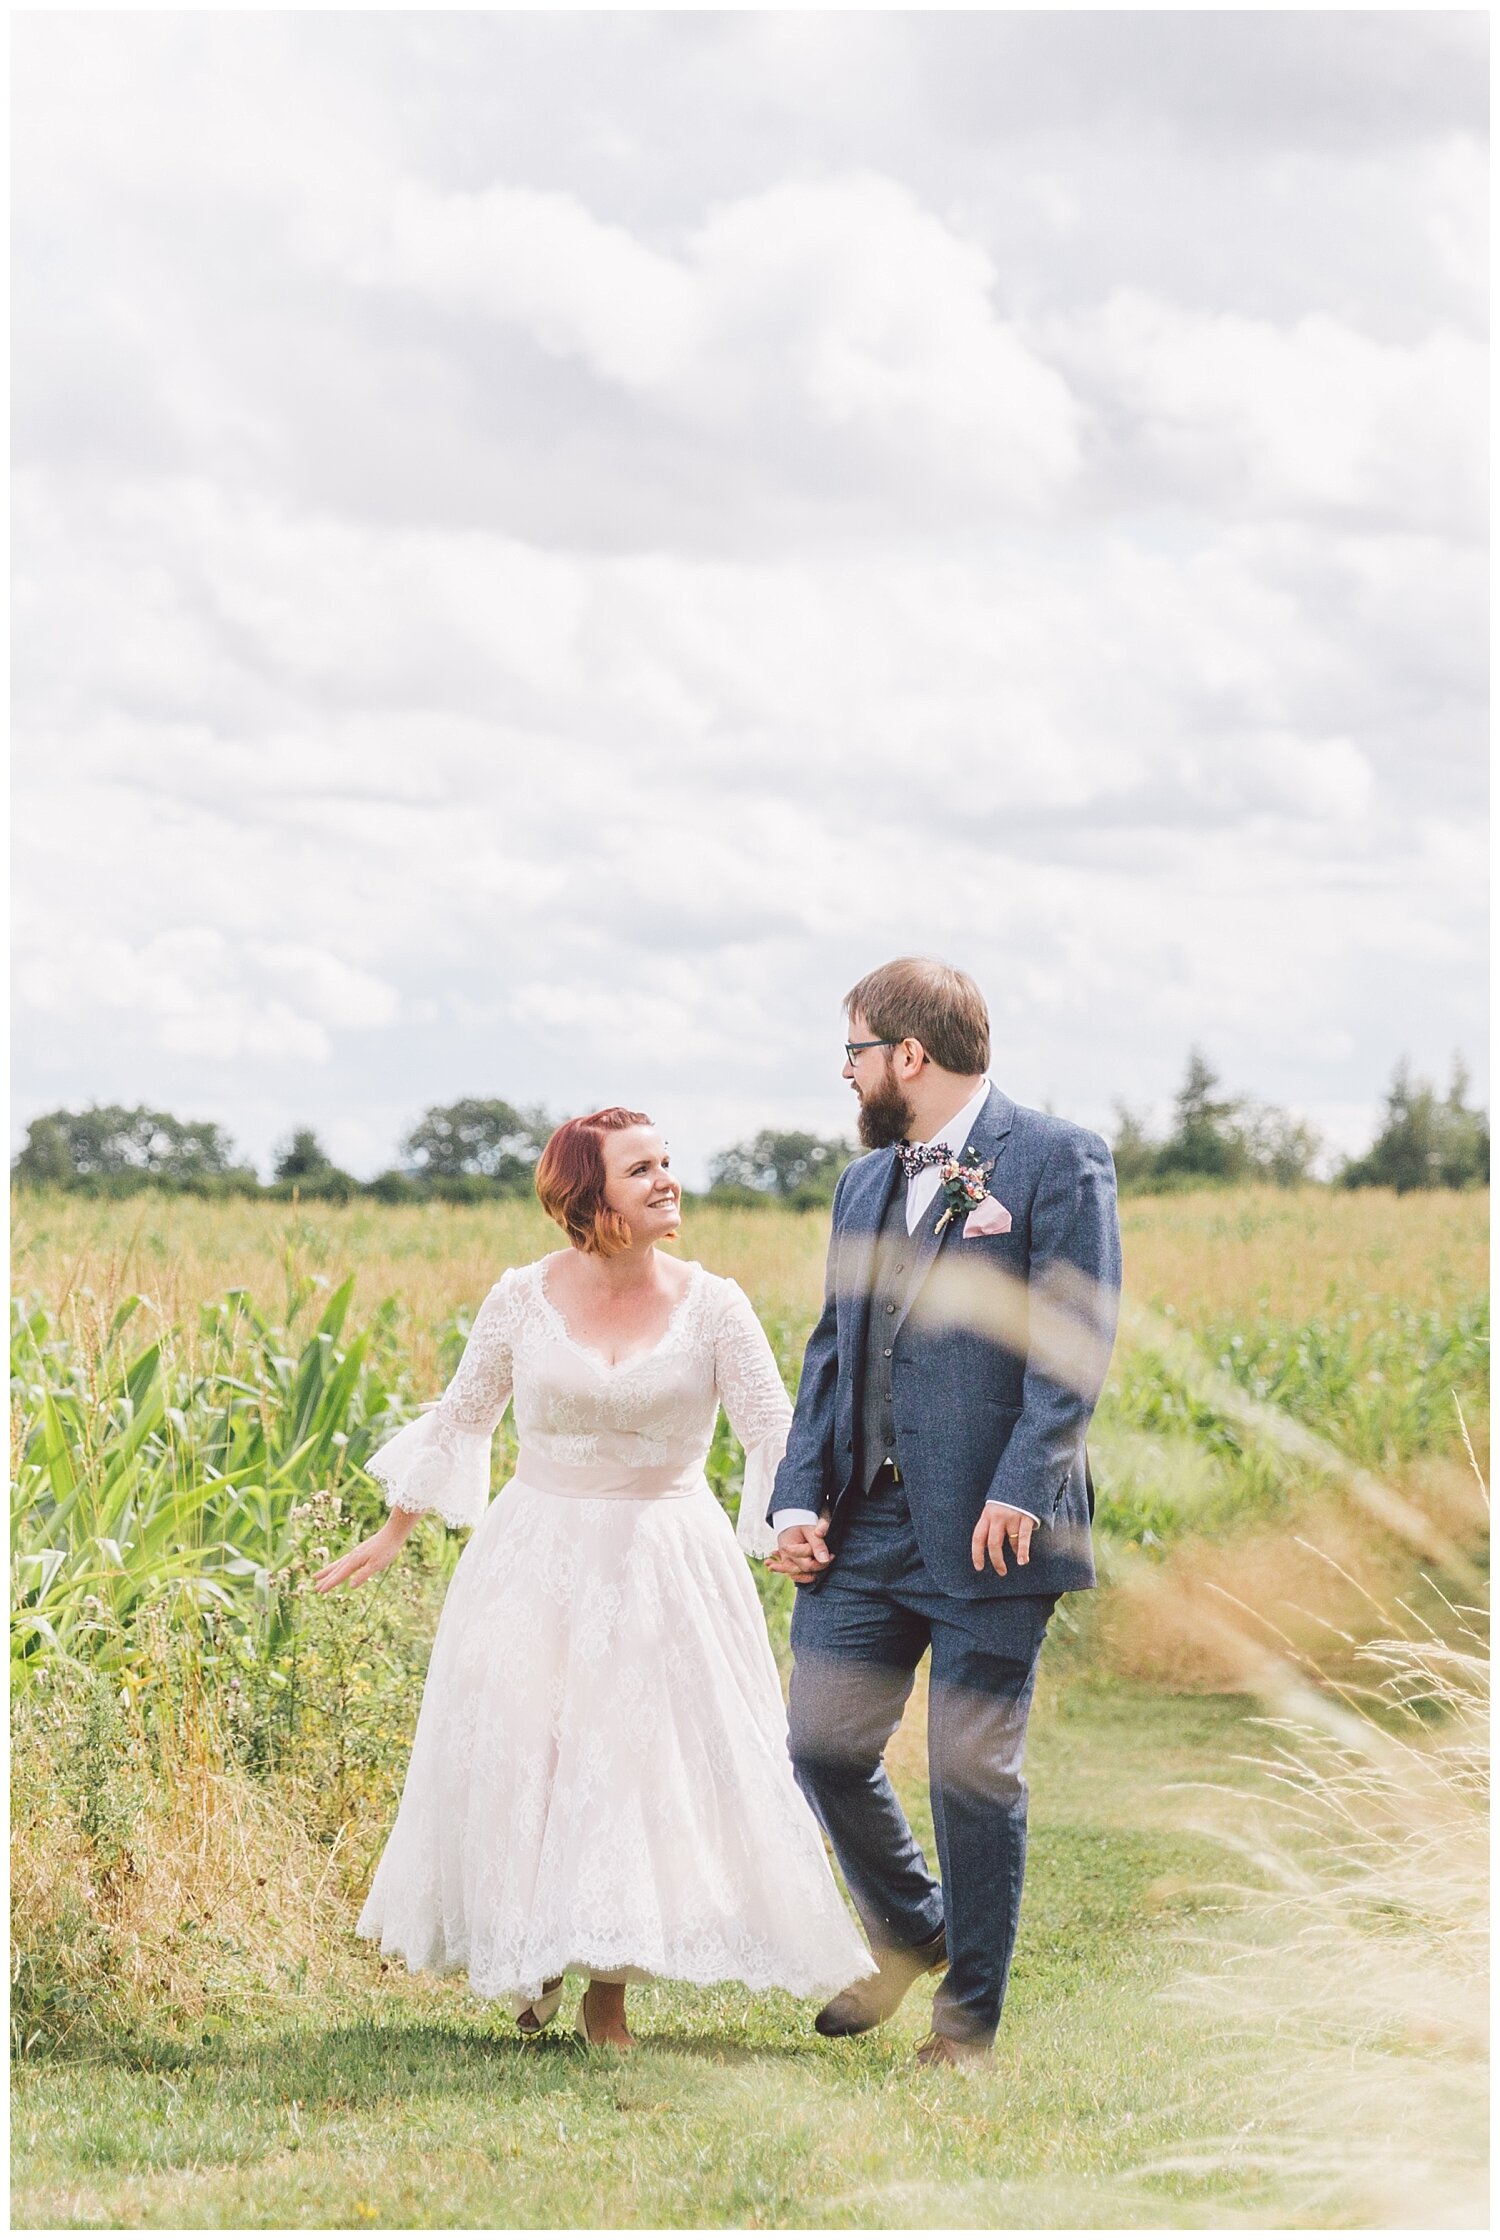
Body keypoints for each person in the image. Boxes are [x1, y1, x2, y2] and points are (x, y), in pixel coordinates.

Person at [315, 1106, 873, 2048]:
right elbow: (463, 1418)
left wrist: (794, 1523)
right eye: (641, 1168)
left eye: (667, 1162)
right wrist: (392, 1531)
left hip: (665, 1557)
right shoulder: (519, 1299)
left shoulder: (715, 1304)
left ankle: (605, 1991)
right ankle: (528, 1946)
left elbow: (773, 1434)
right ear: (589, 1197)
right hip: (532, 1555)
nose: (667, 1181)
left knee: (628, 1764)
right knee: (530, 1753)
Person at [768, 958, 1121, 2069]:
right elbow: (835, 1348)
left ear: (908, 1056)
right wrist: (797, 1494)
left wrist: (1023, 1479)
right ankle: (914, 1925)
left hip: (997, 1523)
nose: (847, 1068)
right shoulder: (864, 1182)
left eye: (857, 1048)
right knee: (822, 1741)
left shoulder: (1058, 1157)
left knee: (973, 1770)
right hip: (866, 1524)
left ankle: (966, 2023)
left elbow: (1074, 1337)